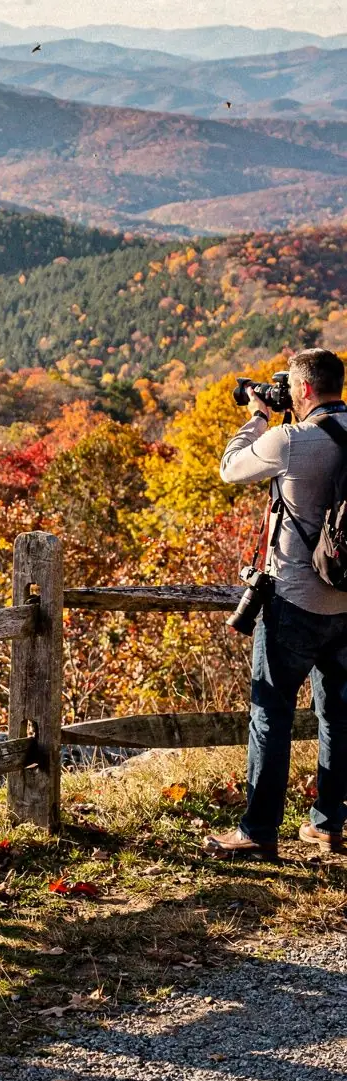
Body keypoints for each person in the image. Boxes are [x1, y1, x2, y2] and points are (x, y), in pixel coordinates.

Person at [206, 349, 347, 859]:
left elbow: (230, 469)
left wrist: (257, 416)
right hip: (346, 602)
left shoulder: (290, 440)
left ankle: (259, 831)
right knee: (339, 715)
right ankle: (330, 823)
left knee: (271, 714)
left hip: (294, 599)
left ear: (303, 390)